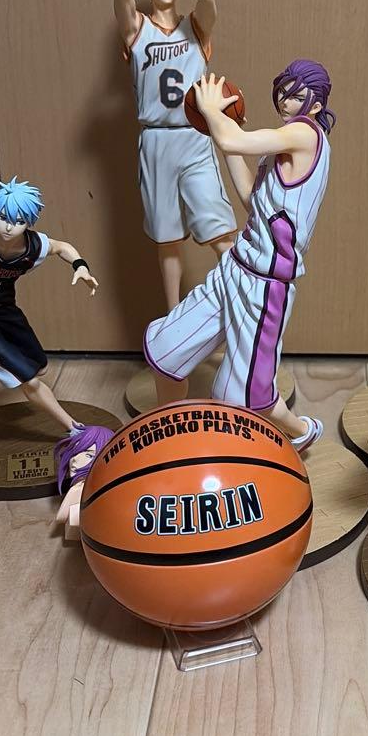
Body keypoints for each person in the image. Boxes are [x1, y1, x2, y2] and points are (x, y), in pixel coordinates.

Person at [144, 63, 334, 449]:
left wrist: (212, 111)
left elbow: (233, 141)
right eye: (283, 91)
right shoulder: (280, 147)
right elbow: (251, 199)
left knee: (243, 395)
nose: (285, 101)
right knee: (166, 349)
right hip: (235, 266)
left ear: (315, 105)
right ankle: (167, 436)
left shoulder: (304, 134)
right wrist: (223, 126)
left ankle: (302, 431)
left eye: (297, 95)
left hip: (265, 286)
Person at [114, 0, 237, 311]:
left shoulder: (196, 27)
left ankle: (241, 310)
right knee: (167, 241)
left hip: (194, 136)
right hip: (155, 140)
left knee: (221, 233)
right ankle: (172, 318)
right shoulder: (136, 29)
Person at [0, 177, 99, 432]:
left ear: (29, 222)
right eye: (3, 217)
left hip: (4, 311)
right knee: (29, 380)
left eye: (19, 221)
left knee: (40, 367)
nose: (9, 227)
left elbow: (62, 247)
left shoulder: (34, 246)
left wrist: (81, 266)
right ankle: (74, 429)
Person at [53, 424, 116, 540]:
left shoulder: (88, 493)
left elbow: (63, 518)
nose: (75, 460)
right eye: (75, 453)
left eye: (88, 455)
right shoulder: (78, 488)